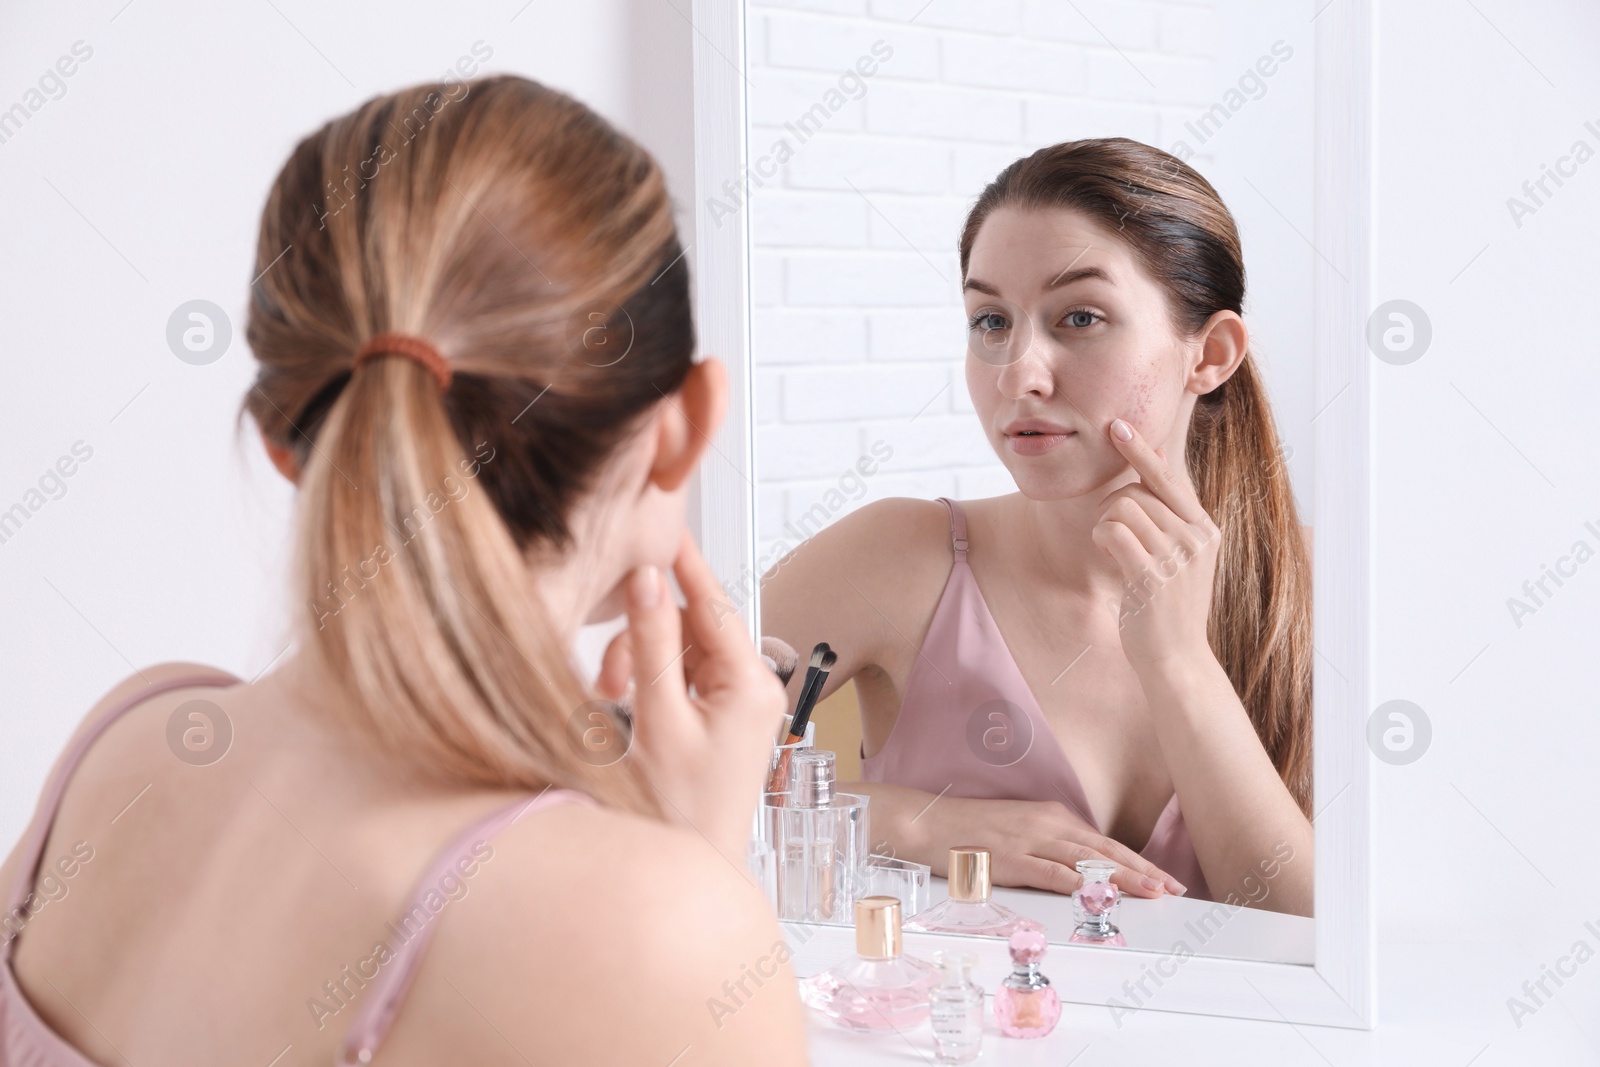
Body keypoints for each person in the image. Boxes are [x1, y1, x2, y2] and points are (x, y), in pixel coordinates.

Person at [0, 76, 807, 1065]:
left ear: (286, 442)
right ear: (684, 427)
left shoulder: (120, 744)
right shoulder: (652, 931)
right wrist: (689, 871)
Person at [762, 139, 1314, 917]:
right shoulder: (898, 558)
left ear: (1210, 354)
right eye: (991, 320)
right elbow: (618, 770)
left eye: (1080, 317)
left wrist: (1181, 661)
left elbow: (1313, 934)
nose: (1019, 372)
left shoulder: (1311, 584)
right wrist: (920, 821)